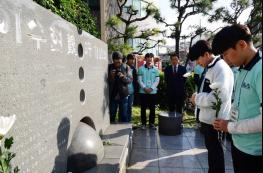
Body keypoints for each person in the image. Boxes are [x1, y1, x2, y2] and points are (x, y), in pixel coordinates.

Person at [212, 24, 262, 173]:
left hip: (254, 152)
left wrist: (230, 127)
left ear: (242, 44)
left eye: (226, 54)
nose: (225, 60)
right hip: (239, 145)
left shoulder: (260, 70)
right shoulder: (242, 69)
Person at [189, 40, 234, 173]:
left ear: (207, 54)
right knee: (212, 151)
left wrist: (197, 98)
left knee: (216, 152)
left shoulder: (220, 68)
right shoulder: (211, 67)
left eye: (198, 59)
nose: (198, 63)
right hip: (208, 118)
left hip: (216, 120)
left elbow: (218, 97)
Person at [138, 53, 160, 130]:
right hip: (143, 92)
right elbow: (139, 80)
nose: (149, 59)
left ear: (152, 59)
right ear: (145, 59)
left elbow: (157, 80)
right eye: (148, 57)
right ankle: (143, 124)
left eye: (151, 57)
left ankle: (151, 123)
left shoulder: (156, 69)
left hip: (152, 92)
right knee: (143, 108)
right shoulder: (141, 69)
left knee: (152, 108)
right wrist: (144, 88)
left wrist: (151, 88)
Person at [108, 51, 131, 123]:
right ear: (113, 60)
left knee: (123, 115)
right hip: (113, 95)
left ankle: (122, 132)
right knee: (112, 114)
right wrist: (111, 77)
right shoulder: (109, 67)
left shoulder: (126, 67)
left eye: (119, 61)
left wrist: (123, 77)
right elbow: (106, 82)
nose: (118, 63)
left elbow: (129, 80)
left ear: (121, 59)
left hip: (123, 95)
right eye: (116, 61)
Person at [126, 54, 138, 122]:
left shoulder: (134, 69)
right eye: (131, 59)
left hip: (131, 91)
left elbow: (135, 81)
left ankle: (128, 122)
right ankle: (123, 121)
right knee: (124, 107)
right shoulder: (123, 67)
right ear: (127, 59)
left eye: (133, 59)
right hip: (124, 91)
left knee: (129, 107)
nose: (133, 61)